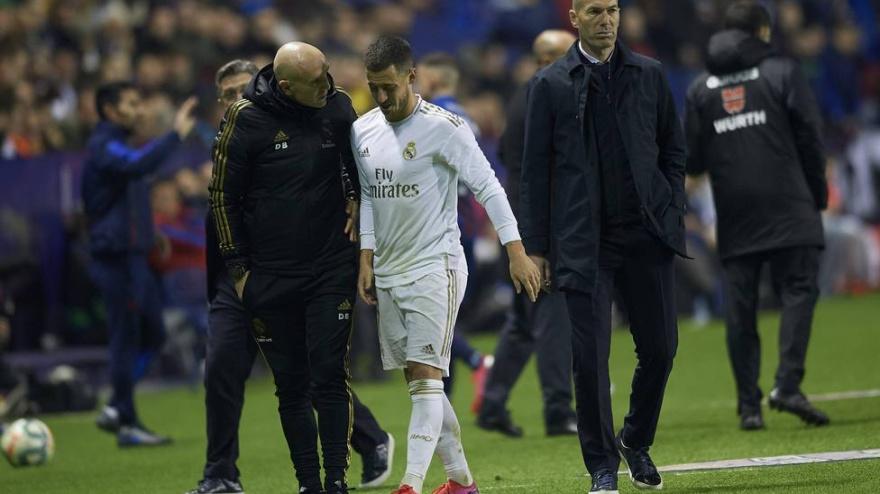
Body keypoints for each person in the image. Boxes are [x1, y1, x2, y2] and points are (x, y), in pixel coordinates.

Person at [189, 58, 394, 494]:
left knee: (323, 371)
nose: (236, 99)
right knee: (236, 369)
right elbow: (220, 200)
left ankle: (352, 460)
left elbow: (359, 163)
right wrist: (239, 272)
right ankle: (226, 473)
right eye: (228, 94)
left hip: (320, 265)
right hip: (251, 273)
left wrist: (356, 197)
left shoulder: (334, 106)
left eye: (241, 89)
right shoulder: (241, 126)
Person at [353, 35, 541, 494]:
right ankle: (461, 482)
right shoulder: (362, 131)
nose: (382, 96)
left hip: (436, 265)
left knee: (426, 377)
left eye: (389, 86)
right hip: (390, 270)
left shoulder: (445, 127)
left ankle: (411, 485)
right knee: (420, 383)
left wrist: (516, 250)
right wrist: (366, 256)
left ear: (411, 76)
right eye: (374, 87)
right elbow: (370, 198)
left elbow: (489, 187)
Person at [520, 1, 688, 492]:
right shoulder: (549, 84)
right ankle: (602, 466)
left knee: (661, 349)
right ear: (574, 17)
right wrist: (535, 247)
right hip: (583, 241)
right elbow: (534, 173)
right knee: (590, 361)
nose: (607, 19)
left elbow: (673, 148)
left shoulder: (649, 74)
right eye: (595, 10)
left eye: (612, 9)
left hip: (646, 234)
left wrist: (671, 204)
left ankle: (635, 439)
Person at [685, 1, 830, 431]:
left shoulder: (700, 88)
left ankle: (749, 406)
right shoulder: (783, 72)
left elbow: (693, 160)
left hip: (735, 211)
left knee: (741, 308)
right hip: (789, 203)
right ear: (763, 31)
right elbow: (810, 136)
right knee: (799, 289)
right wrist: (817, 195)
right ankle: (787, 384)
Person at [82, 81, 197, 447]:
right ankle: (122, 413)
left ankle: (119, 408)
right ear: (110, 110)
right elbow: (137, 165)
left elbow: (125, 193)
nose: (140, 110)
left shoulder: (120, 144)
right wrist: (174, 135)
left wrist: (150, 232)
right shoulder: (104, 144)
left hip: (133, 252)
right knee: (126, 335)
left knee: (152, 333)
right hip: (115, 256)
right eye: (132, 103)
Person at [477, 29, 579, 439]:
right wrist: (541, 241)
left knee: (523, 319)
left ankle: (492, 402)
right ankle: (558, 410)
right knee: (555, 316)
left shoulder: (524, 95)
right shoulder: (548, 95)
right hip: (543, 222)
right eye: (571, 55)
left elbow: (506, 153)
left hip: (521, 216)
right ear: (549, 58)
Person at [415, 52, 491, 409]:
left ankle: (477, 361)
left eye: (420, 77)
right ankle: (444, 408)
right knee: (447, 320)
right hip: (467, 229)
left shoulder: (433, 119)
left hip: (442, 231)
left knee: (430, 322)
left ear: (434, 79)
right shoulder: (467, 119)